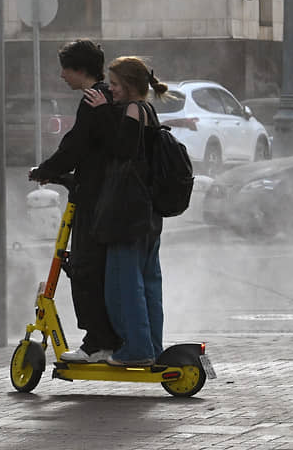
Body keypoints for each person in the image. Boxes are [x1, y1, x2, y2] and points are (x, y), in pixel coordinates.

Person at [28, 39, 121, 363]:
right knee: (94, 270)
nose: (61, 75)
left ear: (79, 70)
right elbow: (93, 149)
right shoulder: (108, 97)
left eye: (65, 69)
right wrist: (60, 174)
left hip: (95, 200)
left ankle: (97, 343)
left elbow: (76, 146)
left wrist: (46, 169)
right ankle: (104, 339)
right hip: (104, 194)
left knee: (85, 270)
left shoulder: (93, 100)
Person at [84, 56, 168, 366]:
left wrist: (103, 112)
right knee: (148, 283)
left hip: (129, 215)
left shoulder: (134, 110)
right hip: (147, 215)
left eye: (116, 84)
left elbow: (123, 149)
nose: (111, 89)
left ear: (131, 86)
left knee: (124, 283)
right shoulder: (150, 111)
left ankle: (137, 348)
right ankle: (151, 346)